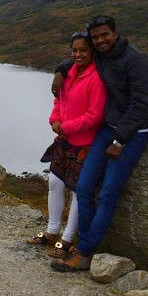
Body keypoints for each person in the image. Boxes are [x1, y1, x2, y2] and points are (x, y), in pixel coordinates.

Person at [50, 15, 148, 272]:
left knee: (108, 193)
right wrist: (60, 71)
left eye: (104, 35)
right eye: (96, 37)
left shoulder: (136, 60)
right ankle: (84, 244)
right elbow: (77, 57)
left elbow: (142, 105)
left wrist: (120, 140)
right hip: (107, 128)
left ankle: (85, 251)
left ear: (115, 33)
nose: (100, 40)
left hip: (133, 131)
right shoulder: (100, 55)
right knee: (85, 187)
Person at [26, 32, 106, 258]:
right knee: (55, 182)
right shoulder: (68, 74)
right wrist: (55, 119)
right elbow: (59, 100)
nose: (78, 54)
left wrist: (67, 126)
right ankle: (52, 232)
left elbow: (95, 115)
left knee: (78, 190)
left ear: (92, 52)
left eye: (83, 50)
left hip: (85, 142)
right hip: (66, 140)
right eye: (75, 50)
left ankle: (67, 239)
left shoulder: (96, 78)